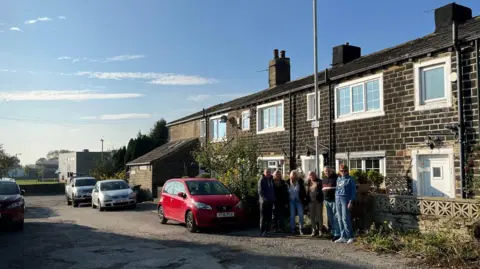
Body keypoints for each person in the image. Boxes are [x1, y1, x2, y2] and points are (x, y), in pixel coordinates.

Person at [335, 164, 356, 244]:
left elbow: (353, 191)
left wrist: (351, 201)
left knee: (345, 218)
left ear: (347, 171)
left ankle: (350, 236)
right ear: (339, 171)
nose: (343, 172)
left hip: (345, 199)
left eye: (345, 170)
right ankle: (342, 236)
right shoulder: (338, 179)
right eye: (341, 170)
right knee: (339, 218)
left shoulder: (350, 179)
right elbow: (337, 189)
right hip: (337, 198)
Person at [323, 165, 340, 241]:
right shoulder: (324, 179)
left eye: (329, 171)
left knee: (335, 218)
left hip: (334, 200)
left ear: (332, 171)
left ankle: (337, 234)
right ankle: (333, 233)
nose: (327, 172)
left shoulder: (336, 178)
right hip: (326, 201)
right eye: (326, 171)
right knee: (330, 218)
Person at [287, 170, 307, 235]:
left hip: (299, 200)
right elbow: (285, 192)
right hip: (291, 201)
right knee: (292, 215)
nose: (294, 176)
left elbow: (303, 191)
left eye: (295, 174)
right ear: (290, 175)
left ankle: (301, 228)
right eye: (293, 174)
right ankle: (293, 228)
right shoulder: (287, 182)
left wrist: (304, 199)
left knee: (301, 215)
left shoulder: (300, 181)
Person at [306, 171, 324, 237]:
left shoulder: (319, 181)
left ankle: (320, 230)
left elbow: (323, 191)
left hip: (318, 201)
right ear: (308, 176)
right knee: (312, 216)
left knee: (319, 216)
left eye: (313, 174)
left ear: (315, 175)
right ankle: (314, 230)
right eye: (310, 175)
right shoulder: (307, 182)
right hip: (311, 201)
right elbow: (306, 192)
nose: (312, 176)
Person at [258, 168, 275, 236]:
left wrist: (273, 198)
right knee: (263, 217)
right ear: (264, 173)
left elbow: (273, 190)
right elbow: (260, 191)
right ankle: (262, 231)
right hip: (263, 202)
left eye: (269, 172)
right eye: (267, 172)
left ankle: (267, 230)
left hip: (270, 201)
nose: (268, 173)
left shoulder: (271, 180)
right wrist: (264, 199)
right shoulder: (261, 180)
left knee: (269, 216)